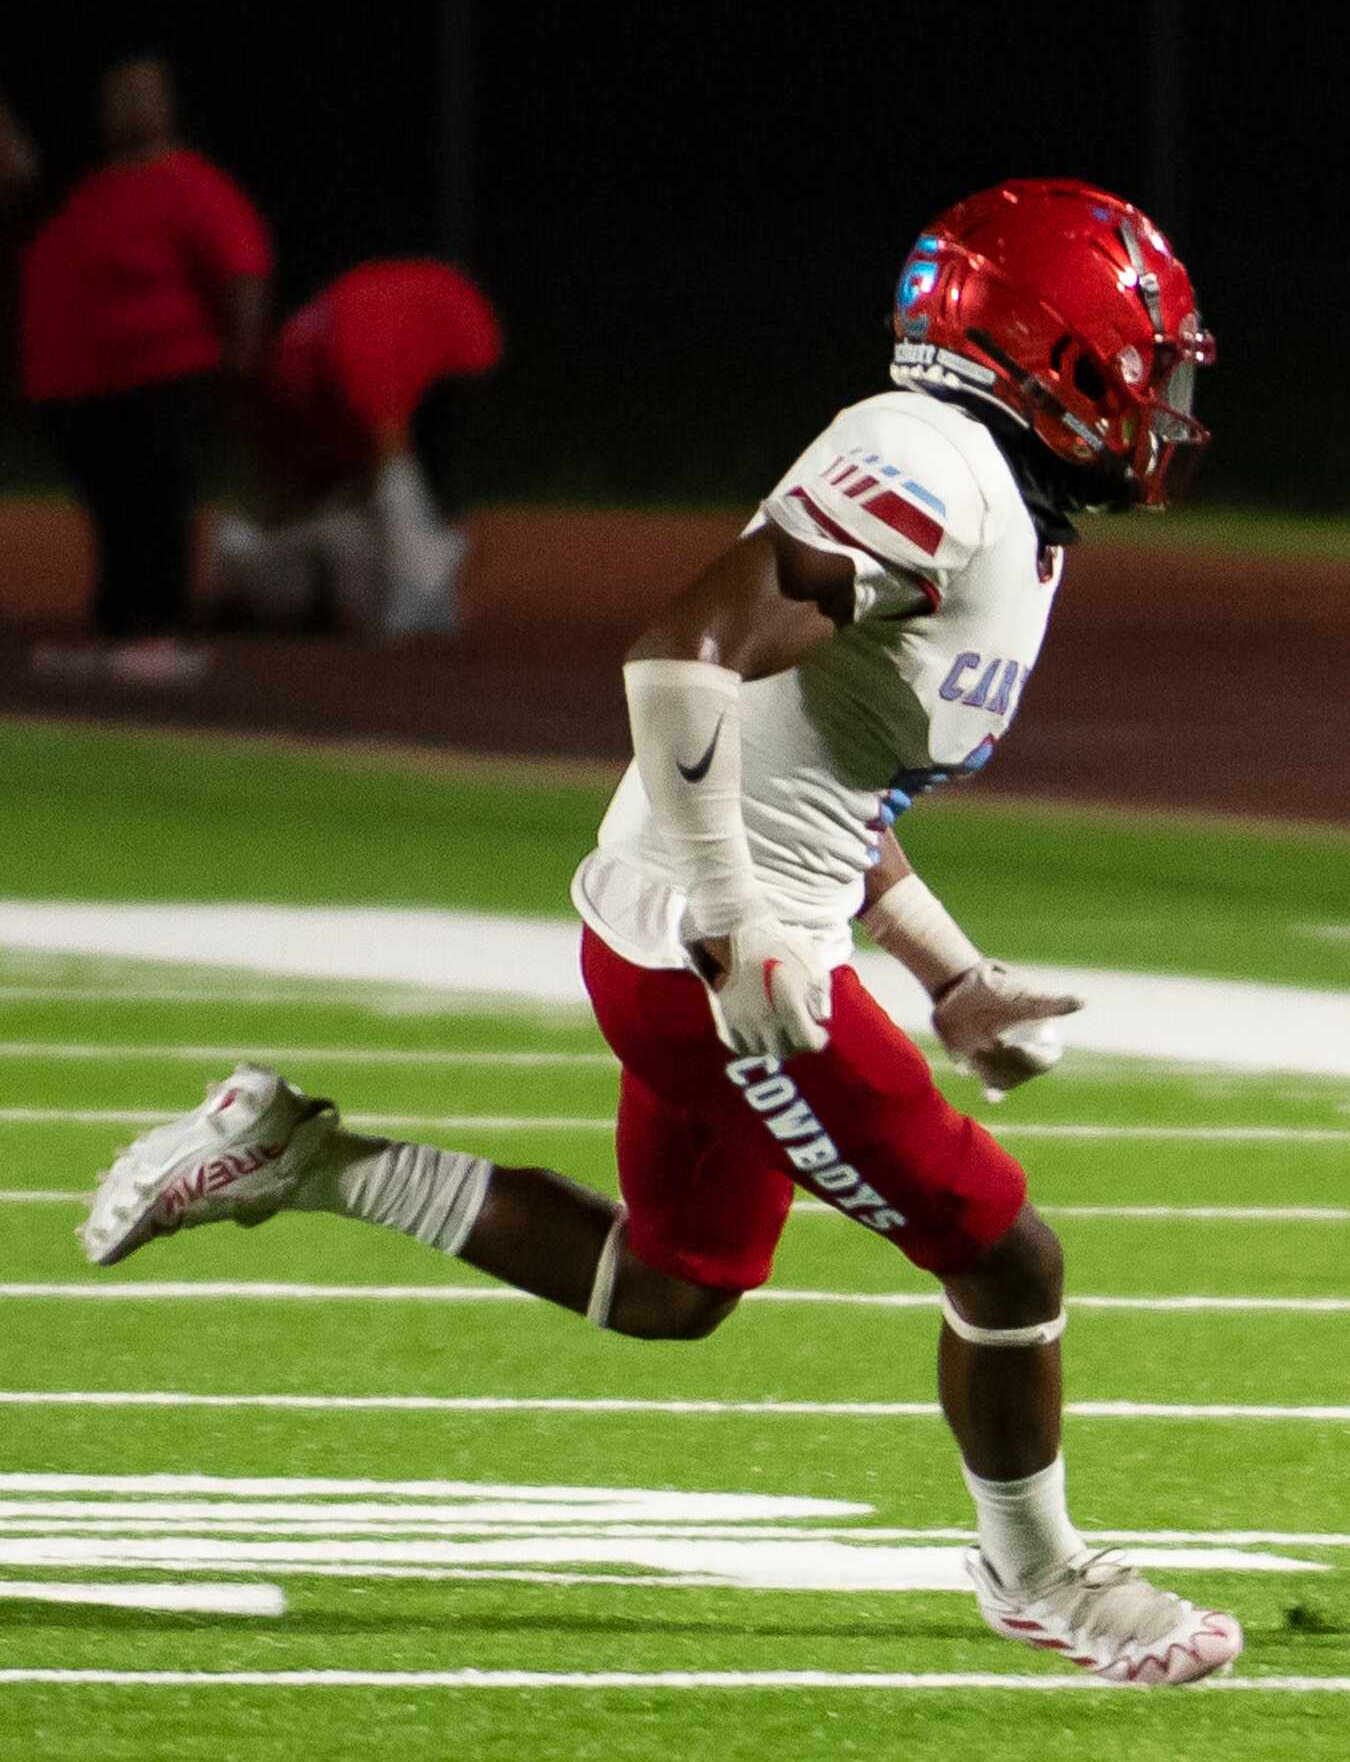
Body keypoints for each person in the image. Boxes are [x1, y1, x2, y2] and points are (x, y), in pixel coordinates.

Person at [78, 179, 1239, 1684]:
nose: (1166, 396)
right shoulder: (930, 471)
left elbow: (810, 762)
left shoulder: (996, 500)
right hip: (722, 960)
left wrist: (948, 970)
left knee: (672, 1286)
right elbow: (679, 662)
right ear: (1055, 352)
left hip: (705, 929)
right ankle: (1042, 1577)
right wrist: (743, 923)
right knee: (1008, 1256)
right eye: (1148, 359)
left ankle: (304, 1154)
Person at [17, 56, 270, 681]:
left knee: (157, 498)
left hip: (161, 372)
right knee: (112, 503)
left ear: (166, 106)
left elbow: (243, 268)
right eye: (119, 98)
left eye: (142, 96)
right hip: (77, 388)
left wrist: (242, 347)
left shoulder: (191, 183)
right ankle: (120, 624)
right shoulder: (94, 188)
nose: (129, 109)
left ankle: (160, 627)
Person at [222, 258, 503, 637]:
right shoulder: (310, 369)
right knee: (377, 495)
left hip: (389, 339)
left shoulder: (336, 359)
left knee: (395, 488)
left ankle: (423, 585)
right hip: (354, 349)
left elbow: (389, 454)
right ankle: (415, 584)